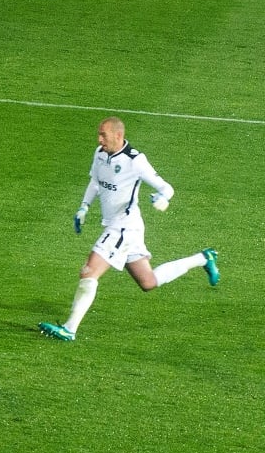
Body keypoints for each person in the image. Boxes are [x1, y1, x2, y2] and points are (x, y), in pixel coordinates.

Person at [39, 117, 219, 341]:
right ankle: (203, 258)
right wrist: (84, 207)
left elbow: (167, 187)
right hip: (125, 228)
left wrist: (163, 199)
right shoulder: (100, 153)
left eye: (103, 135)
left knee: (89, 271)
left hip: (123, 226)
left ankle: (70, 328)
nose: (99, 139)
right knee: (148, 282)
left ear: (117, 135)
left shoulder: (135, 160)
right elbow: (95, 182)